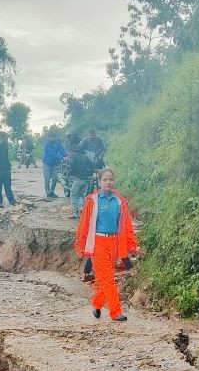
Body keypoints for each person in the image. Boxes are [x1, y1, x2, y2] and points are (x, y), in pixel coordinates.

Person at [75, 168, 138, 322]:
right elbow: (84, 223)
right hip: (98, 243)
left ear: (114, 181)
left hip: (115, 243)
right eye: (105, 180)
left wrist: (131, 245)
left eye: (111, 179)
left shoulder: (120, 201)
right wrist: (80, 244)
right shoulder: (93, 200)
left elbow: (126, 225)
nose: (108, 182)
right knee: (109, 278)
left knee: (105, 278)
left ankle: (97, 303)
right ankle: (116, 312)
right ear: (100, 182)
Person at [66, 147, 95, 219]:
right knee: (81, 195)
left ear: (75, 152)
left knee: (73, 195)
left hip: (77, 179)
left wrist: (71, 174)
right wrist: (89, 174)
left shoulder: (74, 157)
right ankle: (82, 208)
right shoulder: (86, 158)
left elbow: (71, 167)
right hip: (85, 180)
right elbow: (92, 166)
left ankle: (75, 213)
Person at [0, 131, 17, 207]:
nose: (7, 140)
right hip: (0, 169)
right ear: (2, 137)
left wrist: (9, 165)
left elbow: (6, 157)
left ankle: (11, 200)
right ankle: (0, 202)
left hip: (6, 169)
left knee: (8, 185)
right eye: (6, 138)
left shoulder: (5, 146)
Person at [42, 131, 66, 199]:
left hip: (54, 164)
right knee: (47, 179)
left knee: (55, 178)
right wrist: (61, 157)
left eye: (53, 137)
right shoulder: (47, 144)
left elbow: (62, 151)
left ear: (55, 137)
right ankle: (48, 193)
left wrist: (68, 155)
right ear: (48, 137)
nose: (52, 139)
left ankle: (52, 192)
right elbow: (51, 153)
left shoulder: (58, 143)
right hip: (46, 163)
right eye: (51, 137)